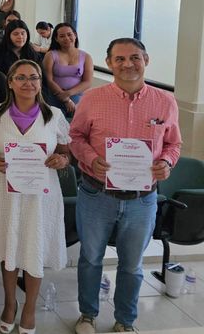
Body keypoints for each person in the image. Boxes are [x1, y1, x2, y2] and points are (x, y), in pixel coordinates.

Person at [69, 38, 181, 334]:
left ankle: (125, 320)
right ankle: (87, 315)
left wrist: (167, 163)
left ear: (146, 60)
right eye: (119, 59)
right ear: (109, 63)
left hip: (143, 199)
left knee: (132, 264)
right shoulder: (92, 99)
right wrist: (91, 158)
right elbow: (75, 137)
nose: (127, 64)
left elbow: (173, 143)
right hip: (96, 193)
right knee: (91, 258)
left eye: (135, 57)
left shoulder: (165, 101)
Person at [0, 60, 71, 334]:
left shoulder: (53, 115)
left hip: (40, 195)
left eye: (34, 78)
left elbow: (67, 153)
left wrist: (61, 160)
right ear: (9, 82)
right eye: (20, 78)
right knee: (10, 247)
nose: (28, 83)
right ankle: (10, 304)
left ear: (41, 83)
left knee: (34, 246)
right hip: (5, 191)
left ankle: (29, 307)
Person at [43, 23, 93, 116]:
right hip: (55, 96)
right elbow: (49, 80)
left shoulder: (86, 57)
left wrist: (68, 94)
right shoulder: (50, 55)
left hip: (77, 97)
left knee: (75, 126)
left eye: (69, 34)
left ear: (75, 35)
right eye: (62, 36)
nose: (66, 38)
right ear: (56, 39)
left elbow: (88, 82)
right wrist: (65, 99)